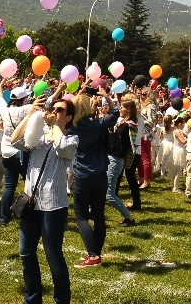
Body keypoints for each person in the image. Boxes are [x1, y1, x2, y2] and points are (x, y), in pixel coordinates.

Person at [10, 93, 78, 304]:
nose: (54, 113)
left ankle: (61, 300)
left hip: (53, 205)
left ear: (69, 117)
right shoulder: (39, 137)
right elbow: (15, 141)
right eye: (53, 109)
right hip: (31, 202)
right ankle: (32, 299)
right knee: (26, 253)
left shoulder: (71, 138)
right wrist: (31, 114)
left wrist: (53, 126)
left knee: (53, 256)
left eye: (60, 111)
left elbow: (64, 149)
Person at [68, 87, 118, 268]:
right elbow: (115, 114)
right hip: (100, 173)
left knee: (81, 216)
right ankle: (96, 252)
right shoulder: (97, 124)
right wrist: (107, 97)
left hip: (82, 174)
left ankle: (93, 254)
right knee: (98, 215)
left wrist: (78, 95)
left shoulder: (71, 126)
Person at [0, 85, 33, 226]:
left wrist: (0, 85)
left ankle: (4, 218)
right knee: (30, 184)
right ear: (23, 99)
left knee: (9, 187)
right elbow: (46, 102)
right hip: (21, 152)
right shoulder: (25, 109)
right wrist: (59, 90)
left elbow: (0, 98)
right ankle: (28, 214)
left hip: (6, 152)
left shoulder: (4, 109)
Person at [107, 99, 137, 227]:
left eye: (122, 108)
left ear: (128, 110)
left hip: (116, 160)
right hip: (114, 159)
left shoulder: (126, 127)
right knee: (104, 189)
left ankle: (128, 218)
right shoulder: (126, 124)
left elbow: (114, 141)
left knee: (110, 194)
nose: (120, 109)